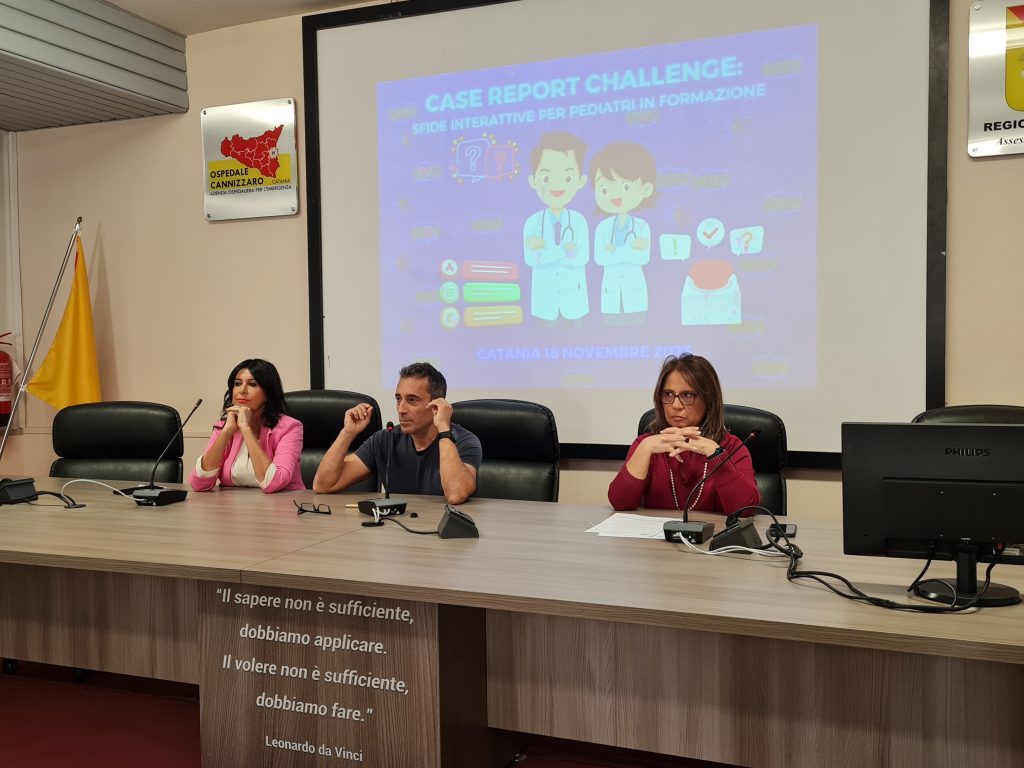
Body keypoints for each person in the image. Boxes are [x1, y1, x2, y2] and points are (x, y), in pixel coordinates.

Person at [608, 354, 759, 515]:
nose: (675, 405)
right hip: (657, 532)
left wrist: (716, 455)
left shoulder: (732, 447)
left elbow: (746, 511)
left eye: (687, 395)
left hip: (715, 532)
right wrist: (645, 448)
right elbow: (620, 503)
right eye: (668, 394)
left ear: (709, 400)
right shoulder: (647, 444)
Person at [312, 362, 481, 504]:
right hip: (396, 529)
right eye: (398, 399)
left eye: (412, 400)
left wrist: (444, 429)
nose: (401, 409)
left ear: (436, 405)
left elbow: (456, 494)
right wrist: (348, 432)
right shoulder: (385, 439)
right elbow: (323, 485)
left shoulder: (464, 441)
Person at [188, 359, 304, 493]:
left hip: (280, 503)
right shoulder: (225, 426)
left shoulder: (290, 427)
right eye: (237, 384)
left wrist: (245, 428)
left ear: (268, 393)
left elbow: (273, 483)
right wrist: (226, 432)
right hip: (231, 504)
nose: (242, 390)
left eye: (252, 384)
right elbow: (198, 484)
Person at [522, 131, 591, 323]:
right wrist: (565, 251)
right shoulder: (532, 223)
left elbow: (581, 258)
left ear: (580, 181)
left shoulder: (578, 221)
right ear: (533, 181)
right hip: (545, 302)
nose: (557, 184)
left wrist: (546, 253)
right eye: (546, 178)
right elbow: (532, 260)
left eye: (567, 178)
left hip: (574, 301)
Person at [591, 141, 658, 319]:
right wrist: (629, 251)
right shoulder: (603, 227)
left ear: (645, 189)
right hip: (610, 291)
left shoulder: (642, 226)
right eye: (604, 188)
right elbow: (599, 258)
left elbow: (642, 258)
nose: (614, 195)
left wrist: (615, 250)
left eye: (625, 186)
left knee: (638, 325)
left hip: (634, 290)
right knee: (609, 327)